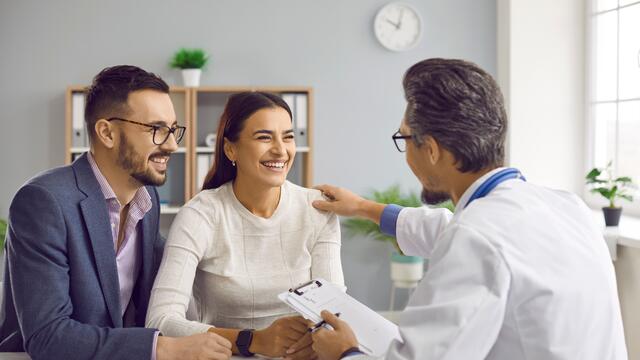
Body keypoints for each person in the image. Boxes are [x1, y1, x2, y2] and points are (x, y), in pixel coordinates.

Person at [307, 58, 627, 360]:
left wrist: (346, 353)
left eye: (403, 138)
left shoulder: (476, 236)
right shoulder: (566, 206)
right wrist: (362, 207)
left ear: (431, 150)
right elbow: (454, 231)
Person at [0, 65, 232, 360]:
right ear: (107, 132)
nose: (172, 145)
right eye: (156, 130)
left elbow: (180, 272)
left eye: (173, 130)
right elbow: (49, 336)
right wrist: (162, 348)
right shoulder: (44, 202)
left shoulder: (147, 200)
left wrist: (300, 209)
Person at [146, 91, 344, 359]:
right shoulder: (200, 214)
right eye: (264, 137)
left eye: (288, 136)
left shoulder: (318, 209)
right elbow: (160, 321)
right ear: (231, 149)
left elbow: (334, 309)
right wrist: (253, 340)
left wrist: (316, 339)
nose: (280, 149)